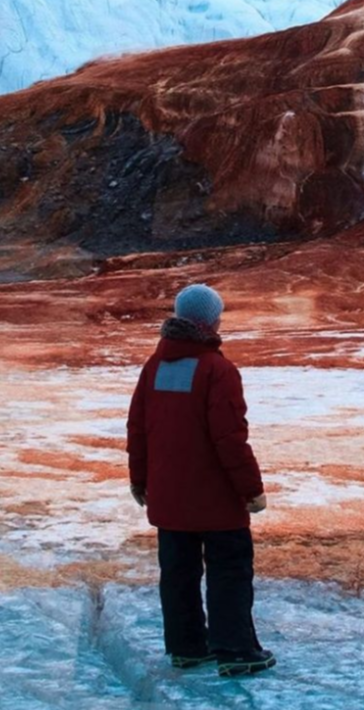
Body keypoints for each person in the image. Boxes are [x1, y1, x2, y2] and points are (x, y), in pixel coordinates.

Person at [126, 283, 274, 678]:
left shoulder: (154, 367)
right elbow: (229, 438)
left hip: (169, 498)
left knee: (178, 574)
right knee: (229, 571)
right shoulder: (217, 370)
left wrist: (139, 480)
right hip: (216, 501)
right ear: (210, 321)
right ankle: (237, 650)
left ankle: (187, 647)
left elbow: (138, 429)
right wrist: (252, 489)